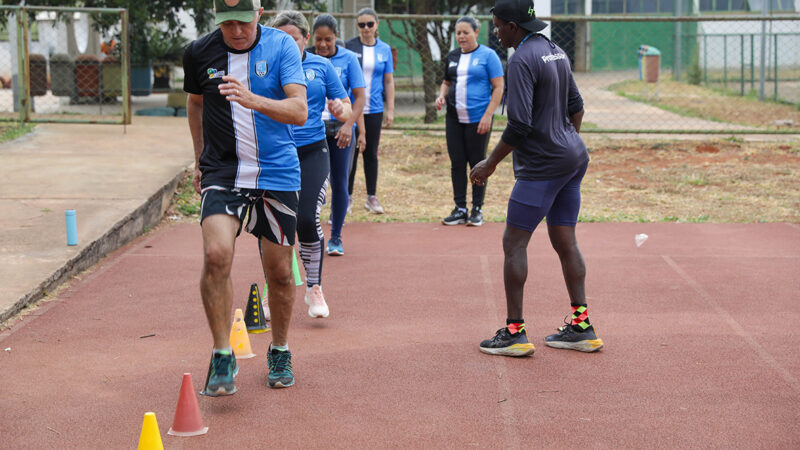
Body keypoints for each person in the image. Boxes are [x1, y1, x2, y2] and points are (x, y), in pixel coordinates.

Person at [183, 0, 307, 393]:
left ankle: (280, 348)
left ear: (259, 13)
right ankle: (223, 354)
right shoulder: (199, 52)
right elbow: (195, 103)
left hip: (276, 172)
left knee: (281, 273)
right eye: (227, 23)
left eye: (243, 22)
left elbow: (299, 110)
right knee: (216, 255)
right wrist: (199, 159)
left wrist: (253, 99)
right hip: (223, 171)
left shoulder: (281, 46)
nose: (236, 31)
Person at [470, 0, 604, 357]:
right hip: (573, 159)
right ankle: (582, 326)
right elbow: (576, 106)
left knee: (514, 243)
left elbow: (520, 125)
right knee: (565, 240)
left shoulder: (521, 60)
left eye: (498, 26)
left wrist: (490, 163)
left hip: (544, 166)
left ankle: (515, 333)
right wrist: (566, 140)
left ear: (514, 26)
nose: (496, 32)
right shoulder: (555, 50)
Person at [272, 11, 352, 319]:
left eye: (293, 38)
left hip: (312, 151)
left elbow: (346, 107)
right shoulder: (266, 66)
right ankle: (272, 289)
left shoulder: (321, 66)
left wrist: (340, 109)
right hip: (276, 153)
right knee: (275, 225)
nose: (287, 43)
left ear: (305, 39)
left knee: (306, 218)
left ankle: (314, 287)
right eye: (281, 38)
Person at [435, 16, 504, 227]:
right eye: (458, 33)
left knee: (478, 163)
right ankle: (460, 208)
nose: (461, 37)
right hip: (454, 118)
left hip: (478, 119)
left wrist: (488, 115)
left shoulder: (488, 56)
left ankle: (477, 209)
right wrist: (441, 95)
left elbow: (499, 87)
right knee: (457, 163)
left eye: (466, 32)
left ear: (476, 32)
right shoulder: (453, 56)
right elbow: (446, 81)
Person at [307, 14, 366, 256]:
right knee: (311, 183)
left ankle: (336, 237)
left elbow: (360, 98)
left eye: (328, 40)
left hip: (340, 130)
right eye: (318, 39)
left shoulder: (349, 59)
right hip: (311, 130)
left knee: (340, 181)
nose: (323, 45)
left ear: (336, 37)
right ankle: (309, 235)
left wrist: (349, 125)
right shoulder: (305, 57)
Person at [345, 8, 395, 215]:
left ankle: (371, 196)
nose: (366, 28)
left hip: (374, 108)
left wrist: (390, 109)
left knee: (371, 153)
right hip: (351, 108)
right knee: (350, 153)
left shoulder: (384, 49)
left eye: (370, 24)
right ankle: (346, 197)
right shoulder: (349, 47)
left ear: (377, 24)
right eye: (361, 25)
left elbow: (389, 81)